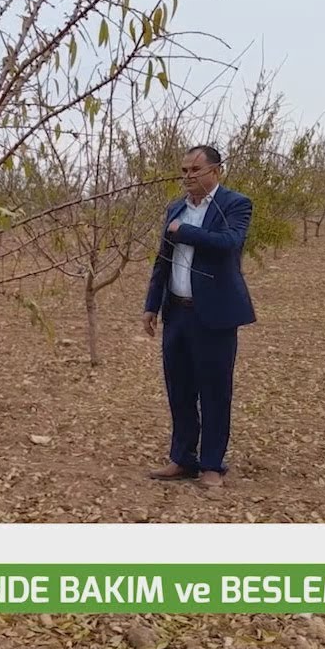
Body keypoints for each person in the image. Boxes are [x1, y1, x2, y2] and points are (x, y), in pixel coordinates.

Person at [142, 145, 256, 489]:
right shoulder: (175, 209)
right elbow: (162, 260)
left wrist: (184, 231)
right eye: (184, 171)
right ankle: (183, 459)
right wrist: (151, 305)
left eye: (195, 170)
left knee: (215, 391)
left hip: (214, 316)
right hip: (177, 312)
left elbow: (229, 243)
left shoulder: (235, 204)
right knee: (179, 389)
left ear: (216, 171)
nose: (188, 177)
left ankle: (211, 465)